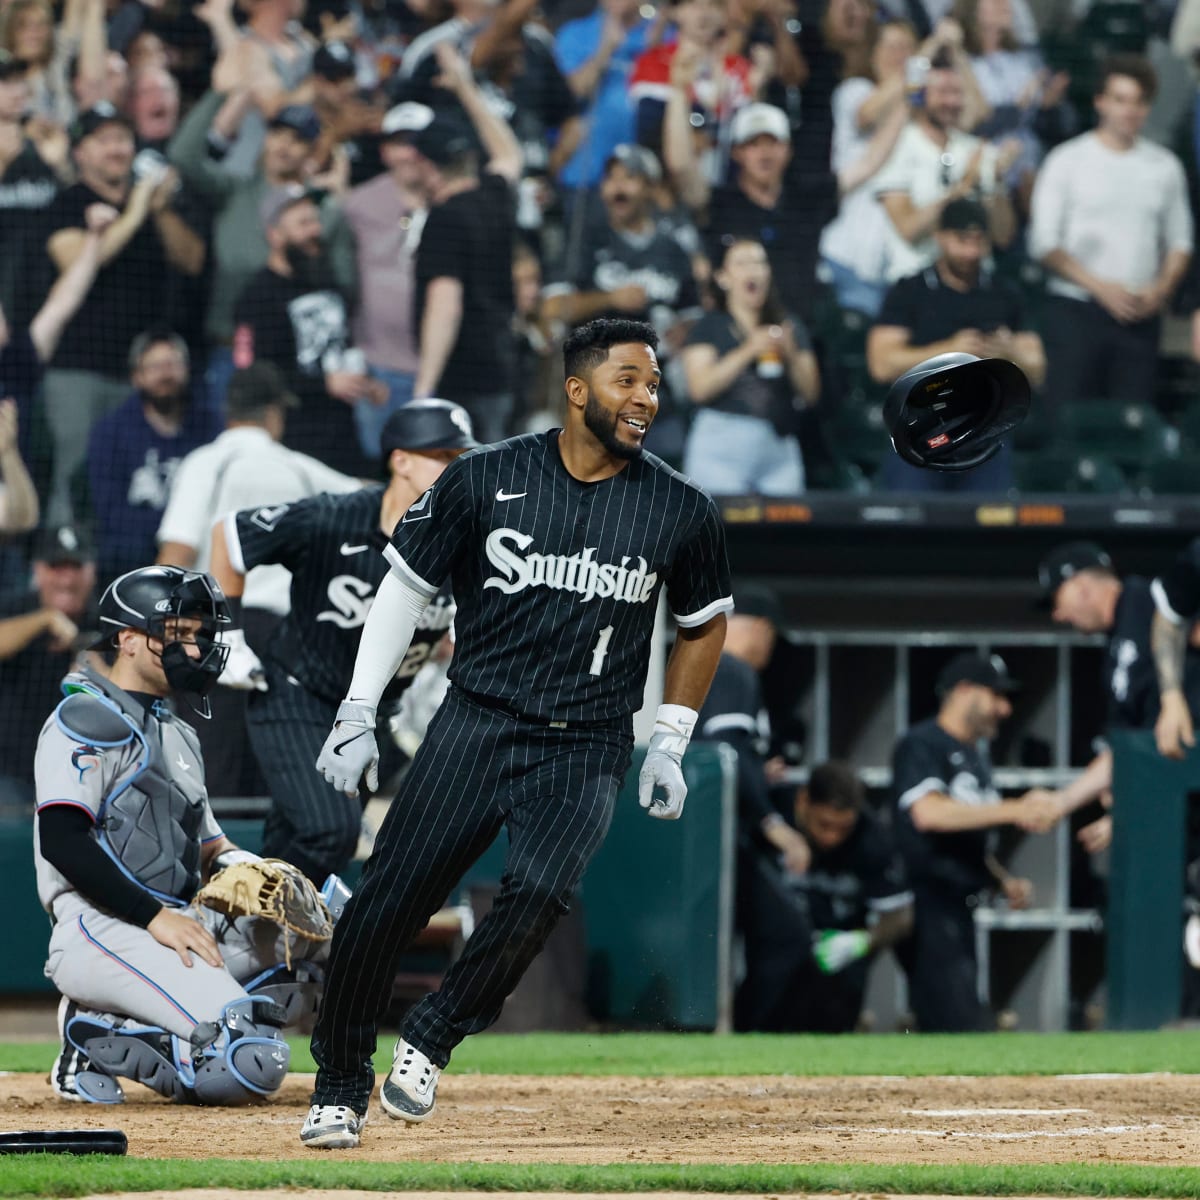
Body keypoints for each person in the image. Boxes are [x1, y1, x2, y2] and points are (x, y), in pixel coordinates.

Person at [300, 316, 732, 1149]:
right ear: (577, 391)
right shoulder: (483, 478)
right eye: (628, 381)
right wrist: (359, 710)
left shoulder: (682, 508)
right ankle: (340, 1083)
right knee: (383, 907)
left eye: (653, 384)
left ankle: (430, 1035)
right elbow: (404, 587)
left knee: (538, 893)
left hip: (588, 741)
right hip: (476, 721)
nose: (647, 397)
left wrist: (671, 738)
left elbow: (705, 622)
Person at [35, 564, 324, 1106]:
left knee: (304, 961)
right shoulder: (84, 717)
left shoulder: (181, 733)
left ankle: (108, 1016)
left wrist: (252, 868)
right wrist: (154, 917)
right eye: (177, 634)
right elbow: (62, 840)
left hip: (177, 923)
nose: (192, 650)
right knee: (249, 1062)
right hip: (100, 925)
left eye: (197, 635)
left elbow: (212, 847)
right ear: (127, 639)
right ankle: (94, 1037)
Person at [208, 398, 477, 884]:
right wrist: (228, 632)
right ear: (401, 460)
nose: (458, 468)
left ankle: (264, 944)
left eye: (463, 458)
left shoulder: (465, 539)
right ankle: (276, 925)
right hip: (297, 696)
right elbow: (230, 536)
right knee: (333, 830)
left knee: (299, 842)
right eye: (445, 456)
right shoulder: (336, 516)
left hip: (377, 714)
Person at [156, 362, 359, 798]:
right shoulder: (300, 467)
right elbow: (380, 502)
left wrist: (163, 631)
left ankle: (216, 866)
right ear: (273, 414)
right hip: (292, 637)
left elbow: (177, 550)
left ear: (230, 411)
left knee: (212, 776)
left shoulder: (207, 461)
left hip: (217, 630)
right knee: (283, 775)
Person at [42, 102, 204, 524]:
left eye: (122, 139)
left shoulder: (150, 207)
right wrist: (136, 209)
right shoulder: (67, 202)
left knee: (139, 485)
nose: (117, 149)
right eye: (104, 140)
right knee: (72, 476)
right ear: (80, 152)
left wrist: (160, 209)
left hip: (141, 378)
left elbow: (192, 260)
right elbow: (81, 262)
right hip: (78, 371)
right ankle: (66, 566)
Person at [890, 651, 1059, 1031]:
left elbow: (966, 837)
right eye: (996, 696)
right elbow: (928, 813)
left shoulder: (976, 757)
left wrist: (1001, 879)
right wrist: (1016, 809)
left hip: (960, 906)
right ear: (964, 690)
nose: (1004, 709)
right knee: (959, 1022)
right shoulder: (923, 743)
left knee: (956, 1021)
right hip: (926, 903)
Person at [1029, 55, 1192, 417]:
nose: (1129, 111)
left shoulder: (1164, 168)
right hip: (1076, 310)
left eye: (1138, 101)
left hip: (1140, 314)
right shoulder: (1067, 160)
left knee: (1132, 423)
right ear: (1100, 101)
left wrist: (1161, 291)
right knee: (1068, 420)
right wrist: (1101, 289)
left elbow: (1180, 241)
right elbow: (1044, 242)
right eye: (1120, 99)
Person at [692, 583, 815, 1030]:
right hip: (722, 834)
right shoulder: (731, 667)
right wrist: (772, 822)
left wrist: (757, 774)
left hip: (704, 833)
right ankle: (739, 1030)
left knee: (736, 940)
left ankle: (725, 1029)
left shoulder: (704, 665)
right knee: (787, 937)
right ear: (761, 628)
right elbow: (727, 752)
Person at [867, 197, 1045, 493]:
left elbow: (1037, 368)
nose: (971, 251)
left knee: (990, 524)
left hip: (984, 428)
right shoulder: (911, 290)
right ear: (940, 236)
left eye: (978, 241)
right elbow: (881, 364)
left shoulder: (1004, 294)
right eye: (962, 240)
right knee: (912, 519)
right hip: (922, 426)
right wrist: (948, 350)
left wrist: (1007, 353)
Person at [1032, 541, 1200, 850]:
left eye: (1057, 599)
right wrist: (1062, 802)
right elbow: (1126, 748)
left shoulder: (1147, 599)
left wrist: (1175, 698)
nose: (1058, 615)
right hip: (1175, 803)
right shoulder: (1112, 654)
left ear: (1081, 586)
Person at [231, 185, 380, 477]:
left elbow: (340, 345)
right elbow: (256, 374)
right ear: (275, 235)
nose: (314, 231)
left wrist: (366, 382)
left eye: (315, 221)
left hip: (344, 436)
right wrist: (323, 385)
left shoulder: (324, 280)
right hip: (295, 443)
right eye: (302, 224)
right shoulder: (256, 297)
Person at [410, 62, 523, 443]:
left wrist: (424, 388)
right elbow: (509, 155)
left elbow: (446, 304)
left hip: (461, 382)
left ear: (427, 166)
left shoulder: (443, 219)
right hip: (501, 369)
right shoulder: (493, 197)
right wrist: (467, 89)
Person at [680, 238, 820, 495]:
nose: (753, 270)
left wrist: (790, 354)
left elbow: (810, 393)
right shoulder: (708, 326)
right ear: (723, 278)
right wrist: (748, 350)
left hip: (778, 447)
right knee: (720, 532)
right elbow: (699, 389)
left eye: (760, 263)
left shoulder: (788, 325)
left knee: (786, 531)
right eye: (742, 264)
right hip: (720, 447)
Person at [783, 760, 914, 1032]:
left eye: (843, 829)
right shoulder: (775, 817)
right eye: (824, 824)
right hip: (779, 948)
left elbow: (900, 916)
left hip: (839, 944)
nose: (832, 838)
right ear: (804, 801)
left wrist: (861, 941)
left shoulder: (873, 837)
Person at [86, 331, 221, 585]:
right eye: (156, 367)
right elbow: (109, 511)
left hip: (198, 554)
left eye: (173, 364)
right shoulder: (110, 432)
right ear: (137, 376)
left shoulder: (210, 428)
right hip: (130, 559)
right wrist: (173, 530)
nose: (166, 374)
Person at [341, 101, 434, 459]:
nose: (410, 153)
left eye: (419, 142)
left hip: (438, 370)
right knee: (378, 470)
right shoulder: (359, 204)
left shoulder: (452, 199)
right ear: (384, 151)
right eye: (400, 143)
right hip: (378, 367)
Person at [873, 57, 1016, 287]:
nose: (951, 101)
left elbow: (1003, 236)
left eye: (957, 93)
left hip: (974, 283)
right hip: (915, 282)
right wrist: (965, 185)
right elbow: (909, 229)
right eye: (942, 92)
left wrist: (996, 180)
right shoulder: (899, 145)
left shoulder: (976, 149)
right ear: (922, 95)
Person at [0, 524, 96, 811]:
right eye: (57, 567)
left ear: (91, 572)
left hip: (82, 776)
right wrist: (45, 618)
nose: (66, 578)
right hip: (10, 772)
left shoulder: (105, 622)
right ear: (39, 571)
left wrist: (84, 652)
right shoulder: (16, 608)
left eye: (75, 567)